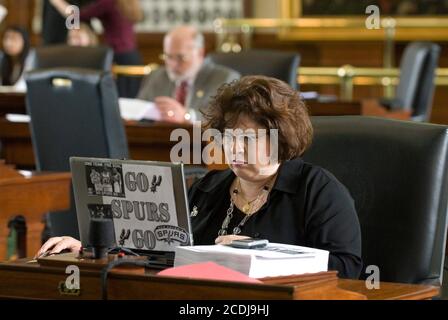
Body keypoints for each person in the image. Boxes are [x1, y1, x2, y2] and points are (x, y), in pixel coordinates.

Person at [35, 76, 362, 279]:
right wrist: (93, 249)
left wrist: (265, 255)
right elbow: (162, 252)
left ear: (281, 137)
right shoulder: (209, 187)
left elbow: (347, 268)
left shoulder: (318, 190)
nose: (233, 147)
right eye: (228, 136)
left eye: (247, 138)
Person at [137, 25, 240, 123]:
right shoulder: (156, 76)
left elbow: (225, 120)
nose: (172, 64)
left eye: (180, 57)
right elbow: (138, 113)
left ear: (200, 53)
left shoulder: (225, 79)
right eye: (168, 56)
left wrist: (187, 116)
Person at [49, 0, 143, 97]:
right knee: (130, 99)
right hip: (132, 56)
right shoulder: (128, 3)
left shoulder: (109, 2)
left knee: (118, 99)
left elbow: (77, 17)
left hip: (118, 57)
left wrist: (57, 2)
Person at [0, 26, 33, 90]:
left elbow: (22, 87)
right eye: (6, 38)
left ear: (24, 41)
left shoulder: (32, 59)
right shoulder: (2, 59)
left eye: (14, 39)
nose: (8, 43)